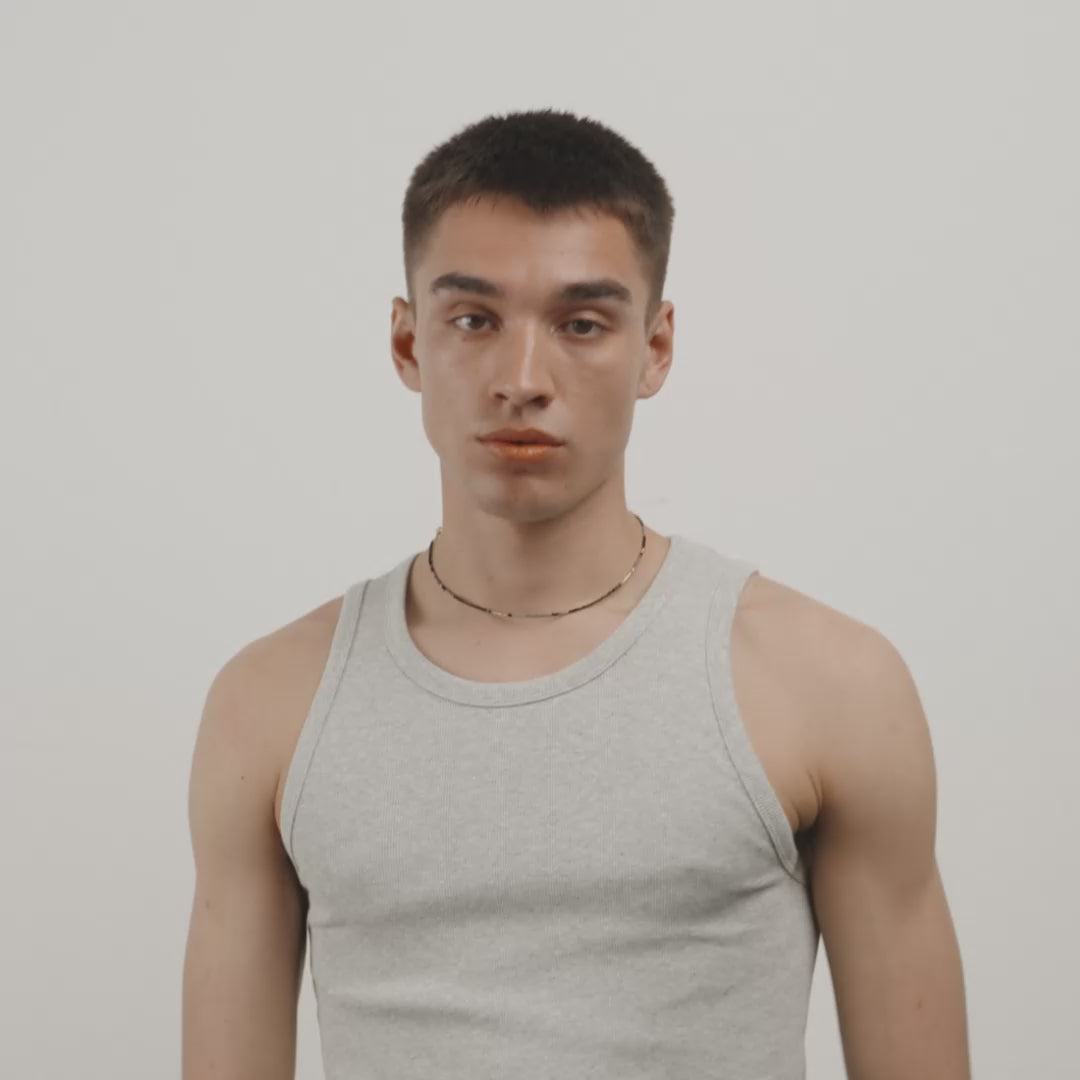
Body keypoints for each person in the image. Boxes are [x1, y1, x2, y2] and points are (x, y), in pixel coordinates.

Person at [182, 108, 971, 1079]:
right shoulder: (271, 705)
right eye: (474, 320)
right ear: (407, 343)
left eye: (582, 323)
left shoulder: (828, 684)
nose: (522, 379)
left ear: (655, 347)